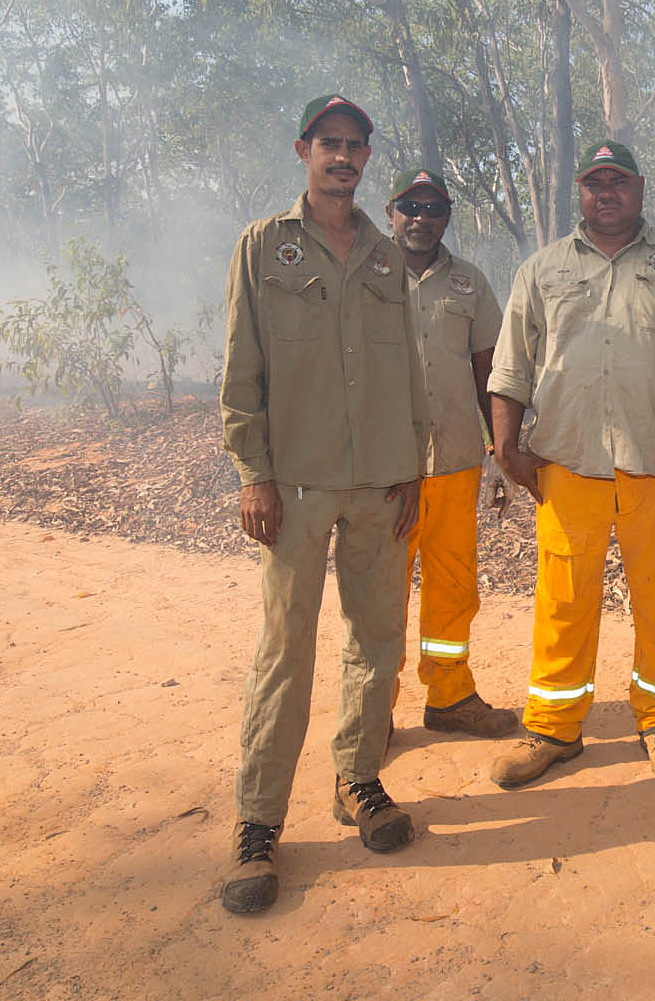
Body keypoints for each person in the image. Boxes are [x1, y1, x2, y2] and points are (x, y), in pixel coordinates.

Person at [216, 94, 430, 917]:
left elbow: (408, 371)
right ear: (303, 149)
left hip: (379, 479)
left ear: (367, 159)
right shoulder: (263, 248)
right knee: (285, 650)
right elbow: (243, 368)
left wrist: (412, 461)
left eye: (356, 146)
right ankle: (259, 823)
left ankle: (357, 780)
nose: (343, 157)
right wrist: (252, 471)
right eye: (329, 144)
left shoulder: (384, 258)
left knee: (377, 638)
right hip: (296, 484)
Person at [485, 139, 655, 789]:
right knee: (563, 600)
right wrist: (506, 446)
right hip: (566, 459)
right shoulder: (542, 269)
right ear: (580, 194)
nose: (607, 193)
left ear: (640, 189)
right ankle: (554, 730)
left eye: (619, 181)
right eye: (595, 183)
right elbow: (511, 364)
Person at [384, 164, 520, 738]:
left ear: (446, 218)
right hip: (384, 470)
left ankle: (449, 695)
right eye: (410, 208)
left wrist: (499, 447)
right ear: (391, 212)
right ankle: (373, 713)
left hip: (457, 462)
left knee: (454, 585)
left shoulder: (469, 282)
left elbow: (487, 368)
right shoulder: (365, 275)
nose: (421, 219)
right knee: (381, 591)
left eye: (433, 209)